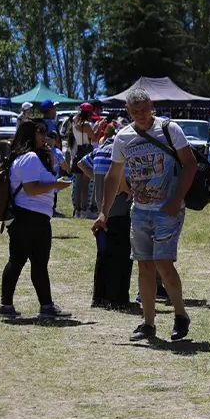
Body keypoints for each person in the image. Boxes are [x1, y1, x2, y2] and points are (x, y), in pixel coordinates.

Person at [92, 88, 197, 342]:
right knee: (144, 265)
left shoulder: (169, 129)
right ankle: (148, 323)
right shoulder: (123, 137)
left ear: (152, 105)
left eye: (144, 109)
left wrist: (176, 200)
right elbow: (113, 176)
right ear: (128, 111)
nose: (140, 115)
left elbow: (190, 164)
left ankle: (180, 315)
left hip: (167, 209)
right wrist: (103, 213)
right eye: (134, 111)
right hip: (139, 210)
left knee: (163, 263)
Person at [0, 118, 74, 319]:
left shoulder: (24, 157)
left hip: (25, 217)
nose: (44, 136)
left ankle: (8, 306)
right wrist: (56, 185)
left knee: (18, 261)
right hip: (31, 217)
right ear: (30, 134)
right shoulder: (29, 157)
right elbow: (31, 189)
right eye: (40, 132)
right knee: (36, 262)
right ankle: (46, 307)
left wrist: (48, 159)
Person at [79, 128, 135, 309]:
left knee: (103, 255)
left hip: (102, 212)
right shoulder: (121, 151)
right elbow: (118, 171)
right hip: (119, 209)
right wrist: (125, 186)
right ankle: (118, 298)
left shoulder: (100, 150)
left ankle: (100, 297)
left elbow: (81, 163)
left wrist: (97, 180)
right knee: (122, 256)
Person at [69, 103, 97, 218]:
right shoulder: (86, 125)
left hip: (78, 153)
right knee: (85, 185)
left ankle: (77, 210)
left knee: (78, 185)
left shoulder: (75, 122)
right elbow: (94, 137)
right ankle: (84, 210)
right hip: (86, 152)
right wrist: (99, 126)